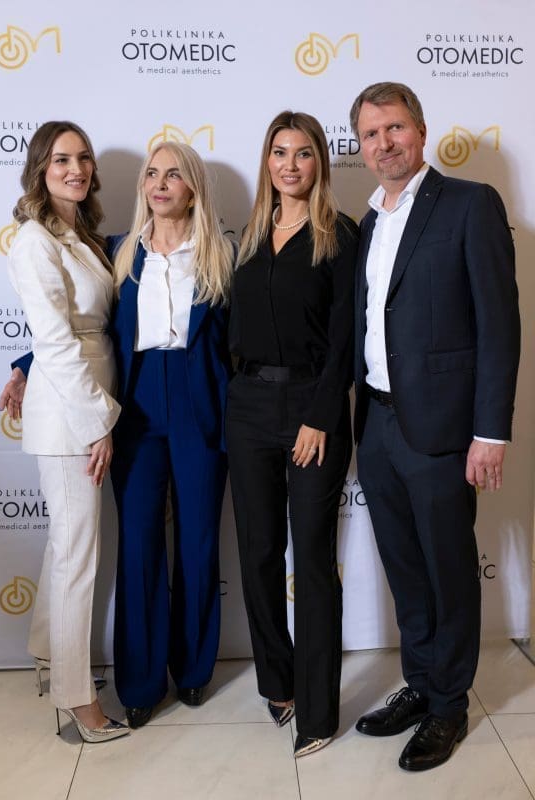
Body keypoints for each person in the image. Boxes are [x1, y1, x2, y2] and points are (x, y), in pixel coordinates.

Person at [349, 82, 520, 771]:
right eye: (370, 134)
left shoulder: (470, 204)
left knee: (449, 571)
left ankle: (449, 704)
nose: (384, 143)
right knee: (406, 568)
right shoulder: (367, 222)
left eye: (394, 128)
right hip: (378, 424)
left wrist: (491, 432)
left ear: (421, 131)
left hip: (444, 429)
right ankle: (421, 684)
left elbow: (499, 326)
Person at [226, 111, 358, 758]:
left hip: (312, 406)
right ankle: (277, 685)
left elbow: (347, 337)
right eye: (279, 152)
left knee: (310, 557)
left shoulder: (341, 234)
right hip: (248, 407)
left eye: (303, 153)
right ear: (267, 161)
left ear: (319, 163)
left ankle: (319, 711)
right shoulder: (249, 235)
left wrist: (321, 415)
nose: (290, 164)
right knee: (256, 552)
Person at [0, 121, 129, 743]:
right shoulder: (34, 240)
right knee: (78, 555)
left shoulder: (78, 235)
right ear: (40, 169)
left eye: (83, 158)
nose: (75, 169)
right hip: (72, 417)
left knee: (64, 546)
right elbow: (55, 340)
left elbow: (82, 324)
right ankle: (78, 700)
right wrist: (97, 423)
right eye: (60, 160)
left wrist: (22, 368)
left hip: (81, 402)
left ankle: (50, 656)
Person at [107, 141, 234, 728]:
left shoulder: (221, 255)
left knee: (199, 541)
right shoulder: (118, 252)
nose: (160, 183)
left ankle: (193, 670)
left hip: (199, 402)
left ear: (193, 188)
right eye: (152, 173)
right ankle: (138, 682)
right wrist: (28, 364)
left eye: (173, 174)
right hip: (135, 406)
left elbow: (244, 339)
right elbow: (84, 327)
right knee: (138, 545)